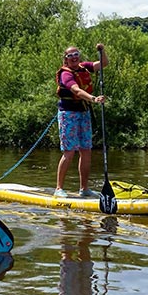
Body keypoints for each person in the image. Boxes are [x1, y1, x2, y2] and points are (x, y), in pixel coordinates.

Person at [54, 43, 108, 198]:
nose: (74, 57)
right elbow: (76, 90)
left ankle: (84, 189)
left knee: (86, 151)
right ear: (65, 59)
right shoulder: (65, 74)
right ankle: (59, 188)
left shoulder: (84, 67)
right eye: (70, 55)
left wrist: (102, 51)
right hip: (68, 114)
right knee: (69, 152)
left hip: (83, 113)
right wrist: (94, 99)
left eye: (76, 54)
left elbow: (103, 64)